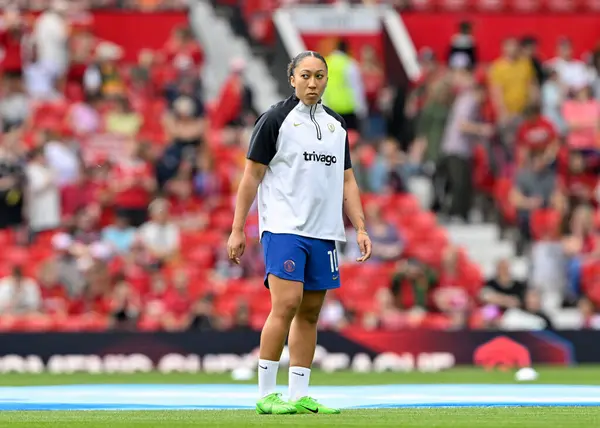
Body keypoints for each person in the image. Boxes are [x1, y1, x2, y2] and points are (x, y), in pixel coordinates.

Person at [227, 51, 372, 415]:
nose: (313, 82)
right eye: (305, 75)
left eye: (319, 76)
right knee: (287, 305)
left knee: (310, 312)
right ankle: (265, 394)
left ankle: (299, 394)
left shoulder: (337, 125)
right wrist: (237, 229)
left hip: (324, 231)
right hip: (283, 227)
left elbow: (348, 180)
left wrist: (361, 227)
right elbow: (251, 178)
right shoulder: (275, 119)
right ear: (292, 78)